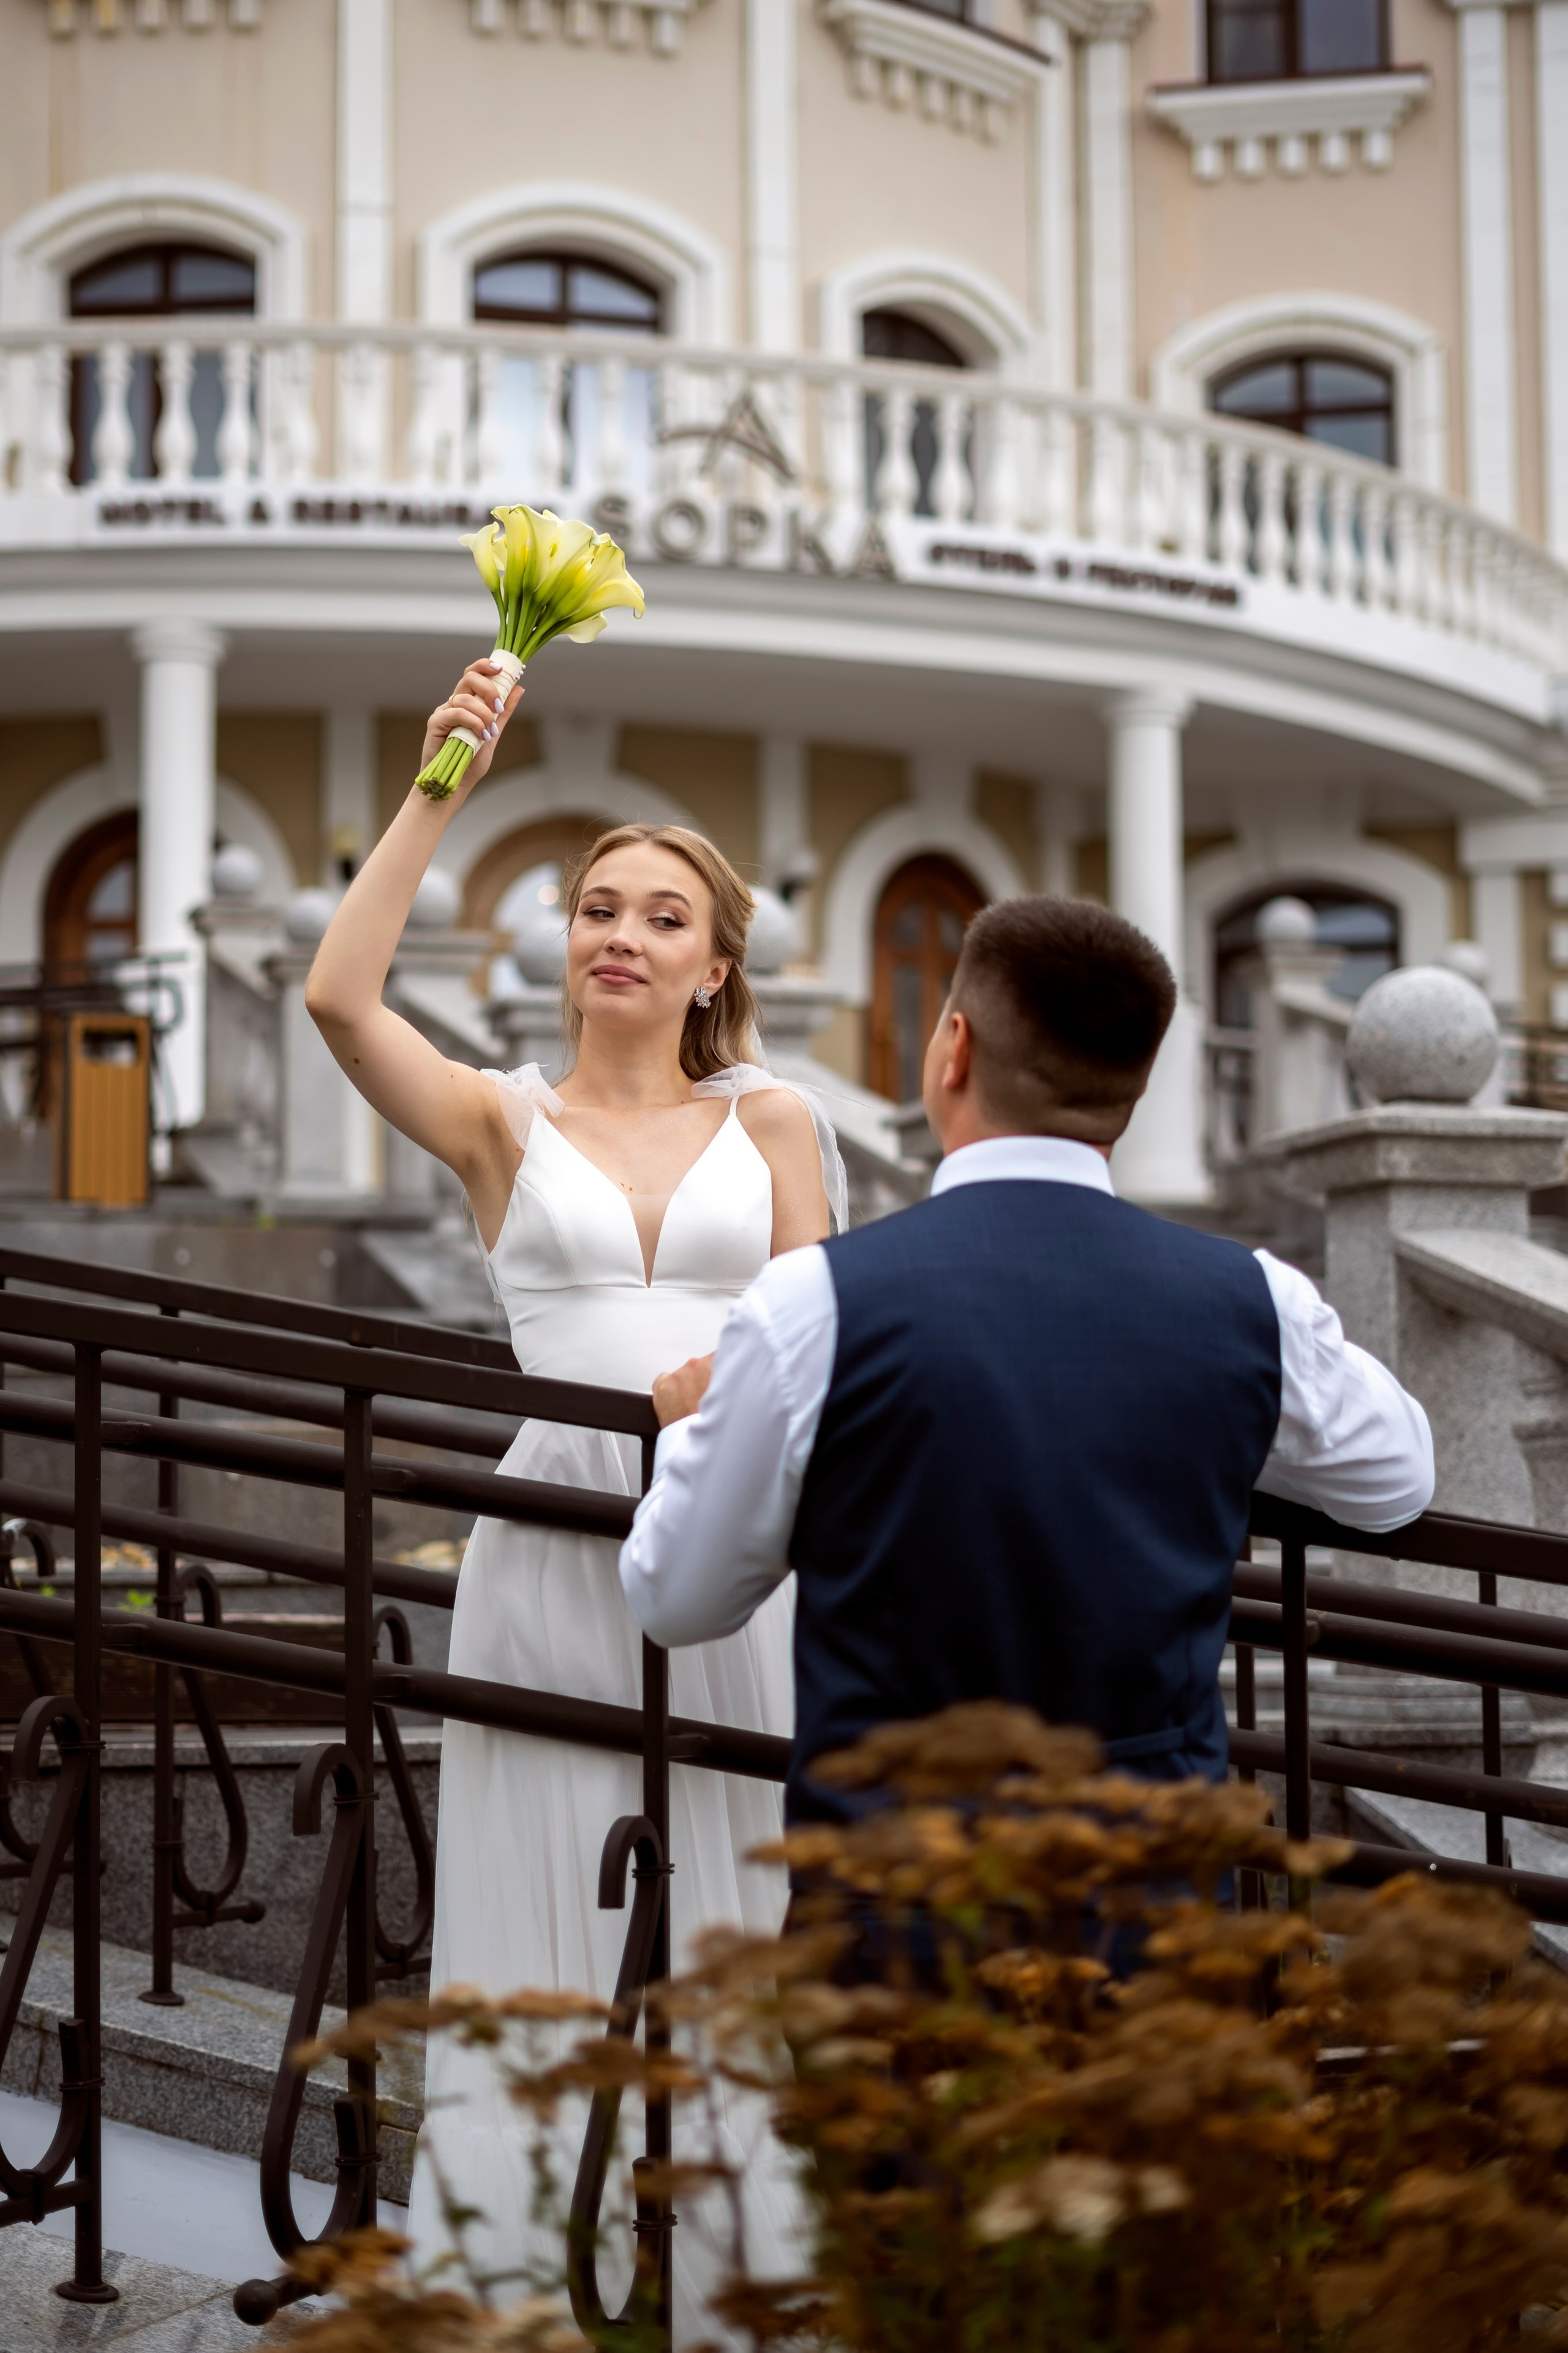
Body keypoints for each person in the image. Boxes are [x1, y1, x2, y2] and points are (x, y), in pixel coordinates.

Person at [305, 659, 841, 2316]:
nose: (618, 930)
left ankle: (730, 2282)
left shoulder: (783, 1117)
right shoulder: (498, 1119)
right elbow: (338, 997)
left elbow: (824, 1333)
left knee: (734, 1881)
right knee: (545, 1890)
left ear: (715, 963)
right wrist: (440, 784)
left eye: (661, 915)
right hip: (552, 1540)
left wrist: (730, 1395)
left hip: (743, 1536)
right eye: (594, 905)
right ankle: (524, 2274)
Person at [619, 894, 1435, 1832]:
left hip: (900, 1890)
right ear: (1134, 1084)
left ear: (954, 1048)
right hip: (1155, 1889)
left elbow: (676, 1597)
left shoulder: (815, 1303)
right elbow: (1398, 1477)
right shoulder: (1253, 1299)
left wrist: (688, 1433)